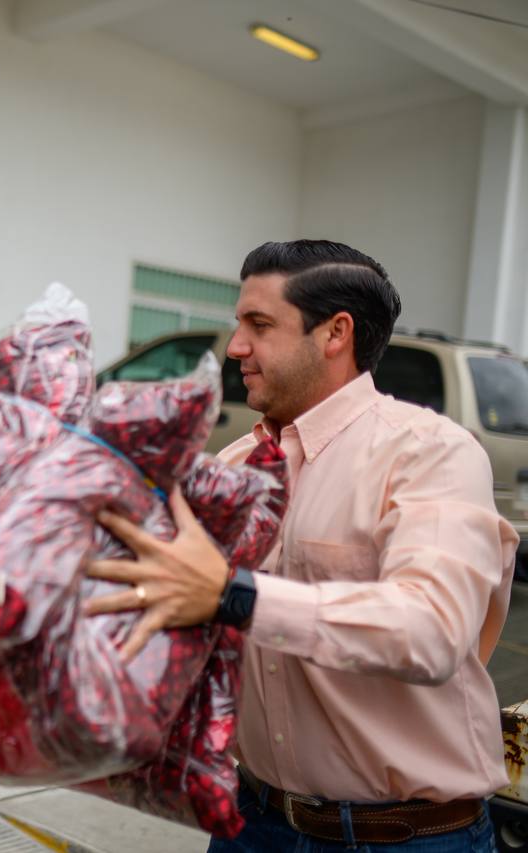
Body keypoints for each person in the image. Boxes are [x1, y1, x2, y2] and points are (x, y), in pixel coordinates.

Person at [86, 239, 518, 852]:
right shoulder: (232, 467)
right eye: (239, 324)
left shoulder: (429, 453)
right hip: (254, 822)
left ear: (335, 333)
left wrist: (233, 595)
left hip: (405, 839)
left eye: (259, 325)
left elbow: (433, 630)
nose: (235, 346)